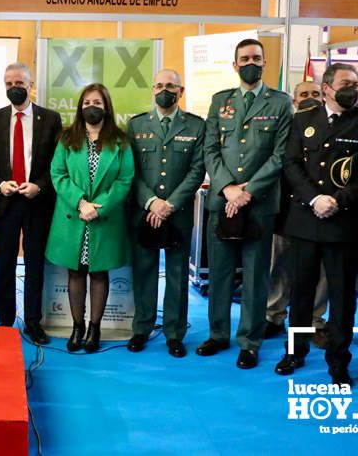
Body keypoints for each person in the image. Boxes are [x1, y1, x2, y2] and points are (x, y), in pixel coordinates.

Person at [277, 63, 358, 386]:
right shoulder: (302, 120)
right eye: (345, 83)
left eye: (355, 83)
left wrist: (339, 199)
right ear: (326, 88)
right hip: (306, 220)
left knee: (342, 298)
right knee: (302, 292)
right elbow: (291, 164)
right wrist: (315, 199)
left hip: (343, 222)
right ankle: (294, 351)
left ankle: (338, 360)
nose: (352, 89)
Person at [197, 38, 293, 369]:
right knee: (220, 273)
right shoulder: (220, 101)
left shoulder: (280, 103)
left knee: (255, 277)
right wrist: (227, 189)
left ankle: (249, 342)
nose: (250, 62)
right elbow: (210, 149)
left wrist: (247, 191)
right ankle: (218, 333)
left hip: (259, 202)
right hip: (223, 203)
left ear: (264, 63)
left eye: (256, 57)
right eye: (244, 58)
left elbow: (280, 155)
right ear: (235, 65)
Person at [46, 83, 134, 353]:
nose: (91, 107)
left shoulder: (120, 141)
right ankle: (77, 327)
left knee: (98, 273)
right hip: (73, 217)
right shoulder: (66, 139)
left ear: (106, 106)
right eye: (86, 103)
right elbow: (57, 174)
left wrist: (99, 207)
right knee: (75, 272)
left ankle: (94, 329)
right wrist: (81, 202)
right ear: (79, 107)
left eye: (96, 102)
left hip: (103, 219)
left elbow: (124, 179)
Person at [126, 69, 205, 358]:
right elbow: (129, 171)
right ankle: (141, 327)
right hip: (144, 213)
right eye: (159, 85)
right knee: (143, 271)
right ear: (152, 90)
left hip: (178, 212)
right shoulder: (135, 125)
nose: (164, 90)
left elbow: (198, 169)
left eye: (170, 86)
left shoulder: (196, 126)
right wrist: (151, 202)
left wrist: (168, 204)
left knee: (177, 273)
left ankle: (174, 332)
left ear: (180, 91)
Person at [0, 62, 62, 344]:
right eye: (8, 84)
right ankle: (5, 321)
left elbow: (57, 164)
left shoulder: (50, 118)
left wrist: (40, 187)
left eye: (19, 83)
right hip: (5, 202)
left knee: (35, 265)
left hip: (37, 202)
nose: (13, 88)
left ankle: (33, 322)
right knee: (4, 265)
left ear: (31, 85)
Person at [265, 81, 329, 346]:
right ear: (293, 101)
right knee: (279, 265)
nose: (309, 98)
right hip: (285, 208)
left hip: (321, 210)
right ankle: (273, 315)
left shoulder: (332, 127)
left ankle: (315, 321)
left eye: (315, 94)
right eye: (303, 94)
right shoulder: (284, 127)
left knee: (321, 272)